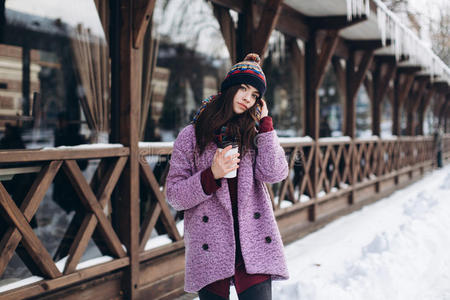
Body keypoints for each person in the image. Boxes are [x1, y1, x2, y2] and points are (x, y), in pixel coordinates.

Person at [166, 53, 289, 300]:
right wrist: (211, 175)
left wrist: (266, 127)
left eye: (254, 94)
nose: (247, 98)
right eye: (243, 88)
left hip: (252, 244)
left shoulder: (253, 132)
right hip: (210, 245)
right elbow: (174, 196)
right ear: (229, 88)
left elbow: (275, 173)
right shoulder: (192, 136)